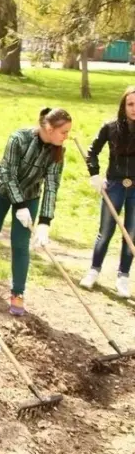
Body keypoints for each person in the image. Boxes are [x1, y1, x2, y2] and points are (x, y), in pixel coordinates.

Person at [0, 108, 72, 316]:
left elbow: (52, 186)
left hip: (30, 196)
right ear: (49, 128)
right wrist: (19, 205)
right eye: (64, 132)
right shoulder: (18, 139)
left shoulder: (58, 152)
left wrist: (45, 222)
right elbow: (8, 173)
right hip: (1, 190)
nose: (67, 136)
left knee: (20, 244)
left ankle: (18, 292)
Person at [79, 86, 135, 298]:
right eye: (130, 104)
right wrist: (95, 175)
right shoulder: (110, 127)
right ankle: (94, 271)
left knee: (132, 234)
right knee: (105, 231)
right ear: (123, 106)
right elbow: (92, 152)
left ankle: (123, 277)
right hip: (114, 186)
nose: (134, 108)